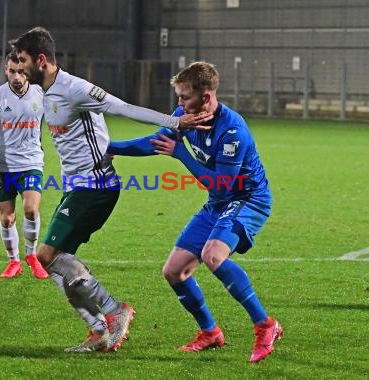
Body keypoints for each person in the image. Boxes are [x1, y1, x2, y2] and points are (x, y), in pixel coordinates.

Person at [10, 26, 210, 353]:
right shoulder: (45, 93)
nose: (19, 67)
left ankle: (115, 311)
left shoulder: (75, 89)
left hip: (96, 186)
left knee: (46, 255)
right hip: (77, 187)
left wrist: (176, 123)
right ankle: (98, 331)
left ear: (41, 60)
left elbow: (124, 108)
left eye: (23, 60)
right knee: (58, 262)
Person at [108, 61, 283, 363]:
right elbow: (155, 142)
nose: (179, 103)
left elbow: (222, 185)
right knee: (174, 271)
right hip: (219, 202)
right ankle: (210, 333)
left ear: (206, 97)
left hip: (247, 198)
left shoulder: (233, 130)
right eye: (178, 96)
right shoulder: (183, 116)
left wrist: (180, 154)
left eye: (184, 97)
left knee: (213, 255)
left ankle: (266, 325)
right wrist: (109, 147)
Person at [0, 51, 49, 280]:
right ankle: (14, 262)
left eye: (21, 72)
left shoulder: (41, 94)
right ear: (6, 71)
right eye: (12, 72)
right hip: (4, 165)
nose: (17, 77)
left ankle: (32, 256)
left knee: (31, 209)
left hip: (31, 161)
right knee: (7, 218)